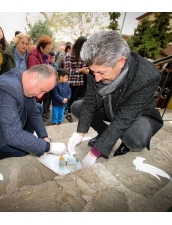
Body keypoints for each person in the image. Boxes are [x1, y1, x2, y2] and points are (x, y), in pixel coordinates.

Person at [67, 30, 164, 168]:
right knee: (78, 107)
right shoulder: (97, 67)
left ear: (120, 62)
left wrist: (94, 153)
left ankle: (123, 142)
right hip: (110, 106)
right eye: (93, 72)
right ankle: (104, 134)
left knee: (135, 140)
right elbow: (89, 101)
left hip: (137, 114)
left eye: (101, 72)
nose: (97, 78)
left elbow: (125, 118)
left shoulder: (147, 75)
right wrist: (80, 132)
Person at [0, 64, 66, 167]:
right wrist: (49, 147)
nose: (40, 95)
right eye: (42, 90)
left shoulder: (23, 76)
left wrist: (44, 137)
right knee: (24, 150)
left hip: (1, 118)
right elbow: (14, 135)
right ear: (33, 77)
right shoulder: (6, 89)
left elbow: (33, 112)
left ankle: (26, 137)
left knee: (38, 107)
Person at [0, 32, 44, 122]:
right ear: (17, 42)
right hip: (9, 86)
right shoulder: (8, 53)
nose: (24, 45)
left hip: (22, 87)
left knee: (32, 109)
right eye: (22, 43)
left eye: (26, 44)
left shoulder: (29, 55)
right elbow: (1, 69)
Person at [64, 36, 89, 123]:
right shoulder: (69, 55)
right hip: (70, 81)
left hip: (79, 82)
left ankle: (69, 113)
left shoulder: (83, 56)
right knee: (68, 98)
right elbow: (67, 70)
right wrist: (80, 70)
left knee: (74, 98)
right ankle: (64, 113)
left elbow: (85, 66)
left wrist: (86, 70)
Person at [28, 34, 53, 120]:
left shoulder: (46, 57)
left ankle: (38, 117)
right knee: (35, 106)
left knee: (39, 105)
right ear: (41, 48)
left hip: (42, 87)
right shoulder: (33, 57)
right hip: (35, 88)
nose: (49, 51)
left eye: (51, 48)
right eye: (48, 48)